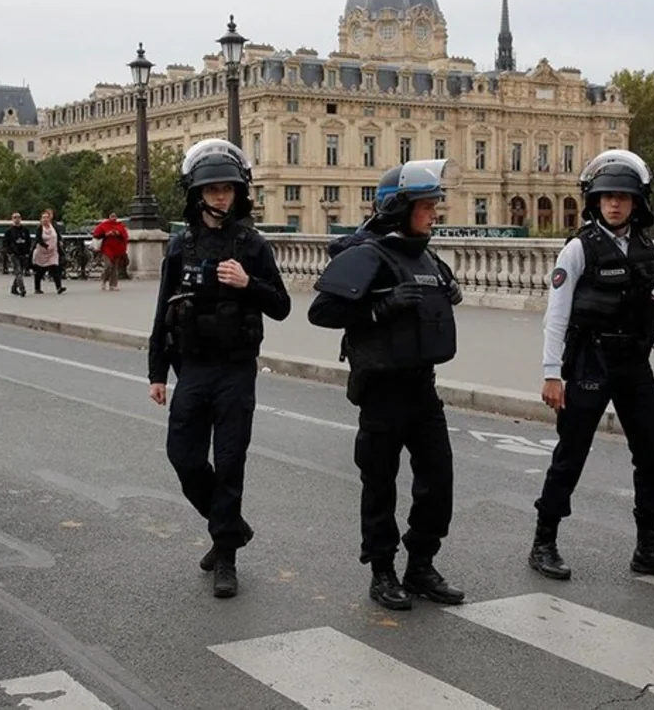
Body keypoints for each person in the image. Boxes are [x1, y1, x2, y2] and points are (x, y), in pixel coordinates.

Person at [307, 159, 466, 611]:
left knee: (438, 481)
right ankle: (382, 571)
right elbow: (322, 313)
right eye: (426, 205)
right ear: (398, 208)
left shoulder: (429, 255)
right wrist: (379, 309)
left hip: (423, 388)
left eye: (435, 203)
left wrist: (447, 290)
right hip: (381, 392)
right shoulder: (367, 254)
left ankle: (421, 566)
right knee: (380, 485)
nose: (435, 212)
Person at [533, 149, 654, 583]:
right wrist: (552, 373)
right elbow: (557, 314)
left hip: (635, 365)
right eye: (607, 197)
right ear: (595, 201)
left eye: (623, 196)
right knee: (570, 454)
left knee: (651, 454)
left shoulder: (649, 248)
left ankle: (649, 547)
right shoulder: (578, 249)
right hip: (591, 361)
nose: (615, 204)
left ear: (637, 202)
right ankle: (544, 541)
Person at [147, 139, 290, 599]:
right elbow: (161, 310)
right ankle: (229, 528)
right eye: (211, 189)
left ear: (239, 192)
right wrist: (156, 373)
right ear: (197, 194)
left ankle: (225, 556)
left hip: (235, 370)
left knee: (229, 463)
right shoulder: (180, 245)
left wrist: (249, 284)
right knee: (183, 458)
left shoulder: (252, 245)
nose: (220, 197)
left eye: (227, 188)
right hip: (191, 368)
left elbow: (282, 306)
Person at [91, 212, 129, 291]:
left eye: (115, 217)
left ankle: (113, 285)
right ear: (109, 217)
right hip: (106, 249)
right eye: (112, 216)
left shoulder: (120, 226)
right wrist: (106, 234)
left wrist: (118, 233)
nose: (113, 218)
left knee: (115, 268)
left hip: (117, 250)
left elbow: (125, 236)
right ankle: (103, 280)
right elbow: (96, 234)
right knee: (108, 266)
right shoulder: (104, 225)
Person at [31, 209, 66, 294]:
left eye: (47, 217)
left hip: (53, 252)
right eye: (44, 217)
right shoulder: (39, 228)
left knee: (55, 268)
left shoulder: (53, 227)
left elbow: (57, 236)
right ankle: (37, 288)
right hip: (42, 252)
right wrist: (45, 245)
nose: (45, 219)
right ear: (41, 219)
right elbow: (38, 239)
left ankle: (59, 287)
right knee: (40, 270)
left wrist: (60, 241)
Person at [3, 211, 32, 297]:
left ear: (21, 219)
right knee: (18, 271)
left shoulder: (25, 230)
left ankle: (13, 288)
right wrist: (10, 252)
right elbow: (6, 243)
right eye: (15, 217)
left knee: (21, 271)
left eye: (18, 217)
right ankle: (22, 289)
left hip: (23, 253)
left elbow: (28, 241)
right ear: (12, 219)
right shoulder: (9, 231)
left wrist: (27, 251)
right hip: (14, 254)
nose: (17, 219)